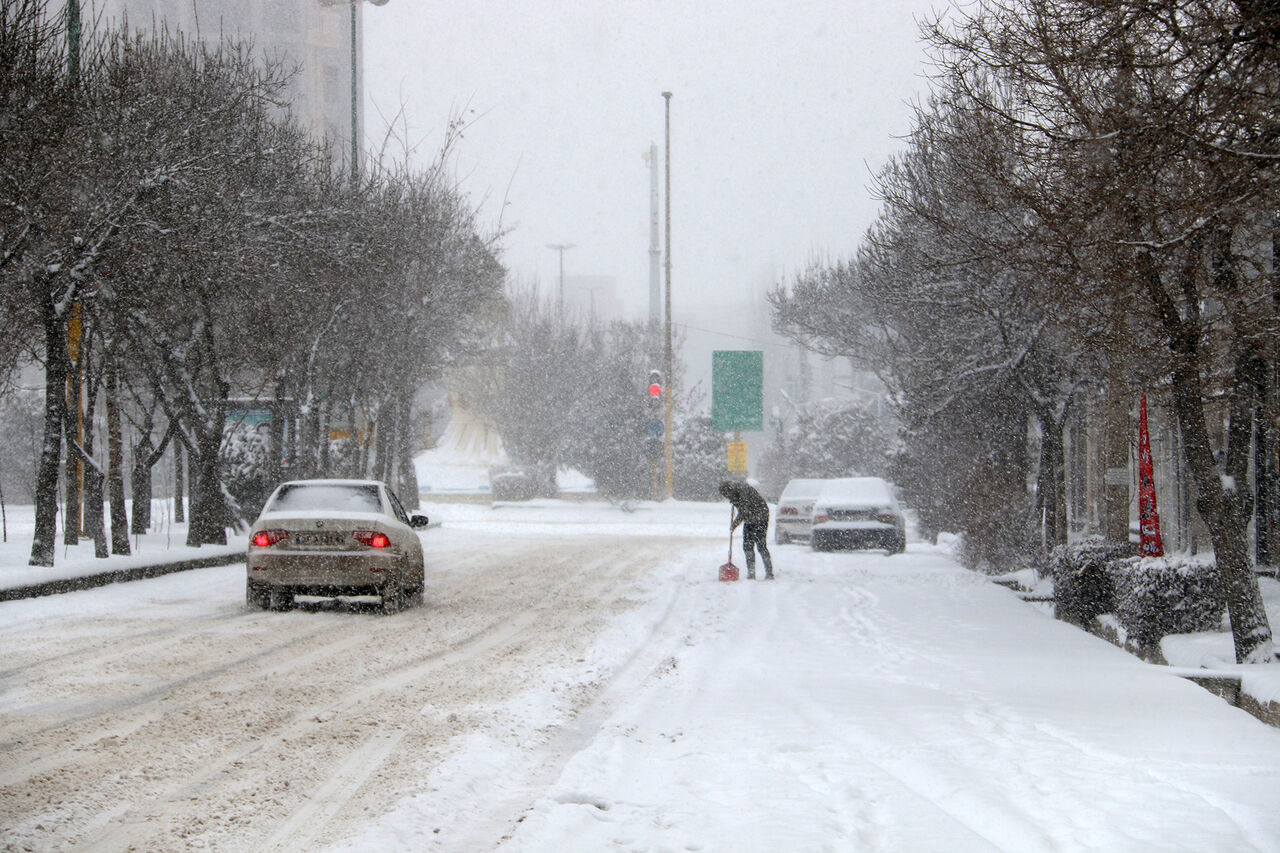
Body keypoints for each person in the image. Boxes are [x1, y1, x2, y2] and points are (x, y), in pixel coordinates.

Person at [719, 479, 774, 580]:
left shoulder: (742, 491)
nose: (727, 498)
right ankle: (751, 573)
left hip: (760, 517)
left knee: (761, 546)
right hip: (749, 518)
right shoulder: (735, 493)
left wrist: (734, 524)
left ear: (728, 490)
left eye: (726, 495)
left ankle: (769, 572)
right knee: (747, 546)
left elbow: (744, 510)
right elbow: (743, 510)